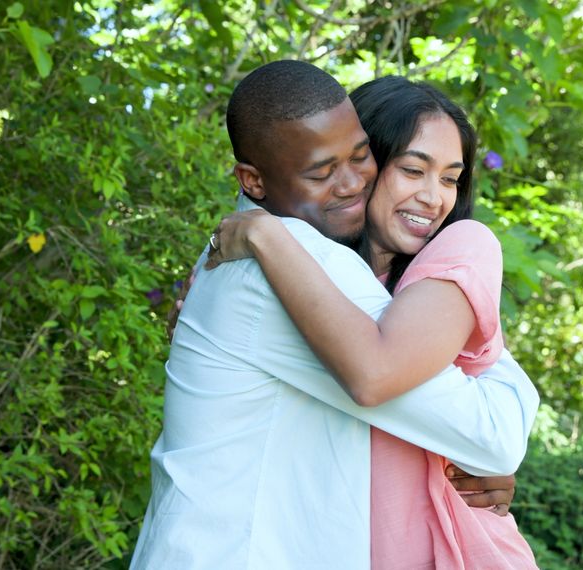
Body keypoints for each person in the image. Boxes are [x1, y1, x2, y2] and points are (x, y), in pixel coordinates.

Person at [130, 61, 539, 569]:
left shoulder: (299, 258)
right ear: (254, 181)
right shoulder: (294, 259)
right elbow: (484, 432)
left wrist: (453, 457)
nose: (348, 183)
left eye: (358, 158)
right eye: (412, 169)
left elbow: (459, 433)